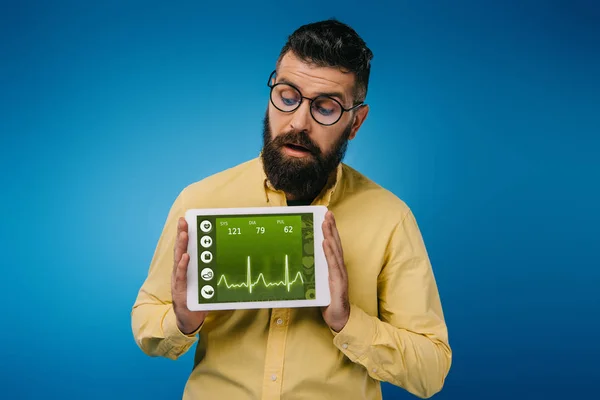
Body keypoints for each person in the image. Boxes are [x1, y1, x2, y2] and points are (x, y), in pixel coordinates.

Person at [131, 19, 451, 400]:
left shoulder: (390, 219)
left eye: (326, 107)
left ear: (355, 123)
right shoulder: (200, 201)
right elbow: (147, 320)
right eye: (287, 96)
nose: (299, 122)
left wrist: (347, 321)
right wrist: (182, 322)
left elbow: (431, 370)